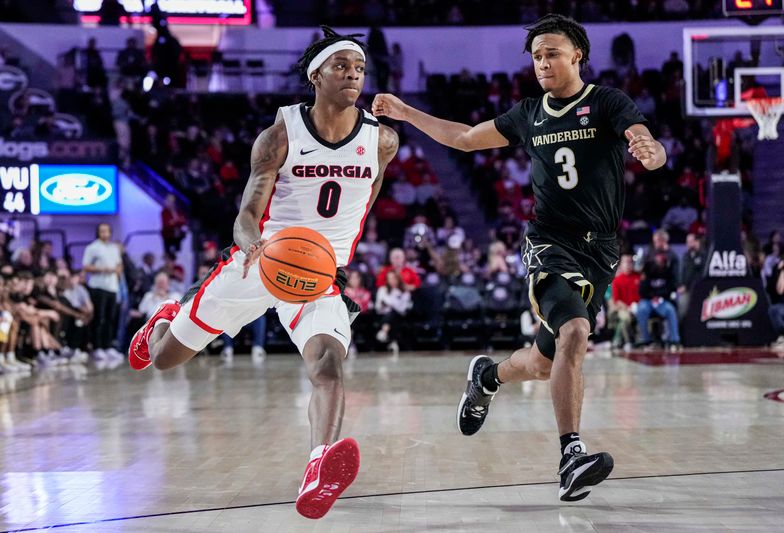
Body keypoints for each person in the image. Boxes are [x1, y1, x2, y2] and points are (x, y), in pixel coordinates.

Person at [372, 14, 666, 501]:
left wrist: (649, 150)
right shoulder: (528, 114)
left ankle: (487, 376)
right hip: (550, 241)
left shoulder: (607, 102)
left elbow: (642, 137)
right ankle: (571, 455)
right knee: (575, 332)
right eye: (536, 56)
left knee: (544, 362)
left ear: (578, 55)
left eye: (552, 52)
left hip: (601, 250)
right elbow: (465, 138)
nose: (543, 62)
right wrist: (407, 113)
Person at [128, 26, 399, 519]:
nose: (354, 76)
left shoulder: (382, 140)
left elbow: (364, 205)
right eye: (342, 67)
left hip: (318, 274)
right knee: (164, 360)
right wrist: (250, 241)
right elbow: (247, 210)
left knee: (328, 366)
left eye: (359, 69)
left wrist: (334, 259)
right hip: (260, 259)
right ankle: (166, 318)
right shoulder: (279, 136)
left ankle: (319, 466)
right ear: (316, 74)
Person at [83, 223, 124, 362]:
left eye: (106, 231)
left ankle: (108, 346)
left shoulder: (114, 248)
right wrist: (103, 269)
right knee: (98, 318)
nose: (104, 233)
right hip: (98, 286)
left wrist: (118, 271)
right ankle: (97, 347)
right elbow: (86, 266)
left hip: (112, 287)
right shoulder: (92, 248)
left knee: (110, 318)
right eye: (101, 231)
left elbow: (119, 264)